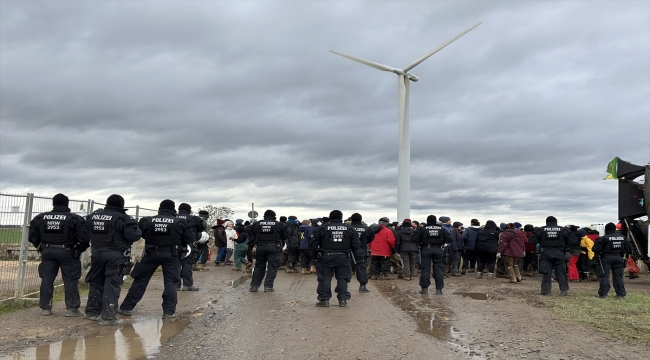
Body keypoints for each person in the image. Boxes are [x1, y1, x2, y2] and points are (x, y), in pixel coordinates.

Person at [119, 199, 193, 318]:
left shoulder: (147, 220)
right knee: (171, 283)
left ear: (160, 208)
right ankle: (168, 312)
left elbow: (141, 234)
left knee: (140, 280)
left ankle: (126, 308)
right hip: (172, 254)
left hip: (151, 253)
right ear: (173, 209)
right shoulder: (180, 222)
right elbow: (190, 238)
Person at [28, 193, 90, 317]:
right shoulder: (74, 219)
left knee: (47, 279)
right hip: (68, 252)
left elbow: (32, 236)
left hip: (47, 251)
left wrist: (40, 247)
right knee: (70, 280)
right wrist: (79, 248)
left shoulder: (40, 218)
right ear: (67, 204)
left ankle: (45, 308)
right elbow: (84, 238)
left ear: (53, 203)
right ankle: (71, 309)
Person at [85, 194, 142, 325]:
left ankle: (92, 312)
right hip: (116, 255)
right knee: (112, 283)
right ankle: (108, 316)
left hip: (96, 253)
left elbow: (85, 231)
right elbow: (134, 235)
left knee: (96, 281)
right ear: (122, 205)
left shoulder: (94, 216)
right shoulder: (123, 218)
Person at [310, 210, 360, 307]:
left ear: (330, 217)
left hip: (326, 256)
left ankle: (324, 300)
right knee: (343, 278)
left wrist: (314, 256)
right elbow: (356, 244)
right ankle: (342, 299)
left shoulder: (322, 228)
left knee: (325, 278)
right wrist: (352, 254)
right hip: (344, 256)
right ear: (341, 217)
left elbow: (313, 244)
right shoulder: (349, 228)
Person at [529, 216, 577, 296]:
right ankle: (564, 291)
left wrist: (541, 242)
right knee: (560, 272)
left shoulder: (540, 230)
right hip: (560, 253)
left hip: (546, 253)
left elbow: (532, 241)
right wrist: (566, 249)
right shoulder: (564, 230)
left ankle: (546, 291)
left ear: (546, 222)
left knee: (546, 272)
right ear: (556, 222)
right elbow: (573, 241)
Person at [248, 210, 288, 292]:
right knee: (272, 267)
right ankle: (268, 287)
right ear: (274, 216)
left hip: (260, 247)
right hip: (274, 247)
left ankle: (254, 286)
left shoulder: (257, 224)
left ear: (264, 216)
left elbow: (251, 233)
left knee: (259, 267)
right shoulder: (279, 224)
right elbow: (286, 235)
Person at [592, 222, 633, 298]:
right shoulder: (623, 237)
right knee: (619, 277)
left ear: (606, 229)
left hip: (606, 258)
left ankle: (603, 294)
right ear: (615, 229)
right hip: (618, 258)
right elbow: (629, 250)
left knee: (604, 276)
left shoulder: (603, 238)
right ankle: (621, 294)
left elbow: (595, 249)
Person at [413, 215, 451, 295]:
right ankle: (439, 289)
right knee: (439, 270)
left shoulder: (422, 229)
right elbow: (449, 239)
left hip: (426, 249)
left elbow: (414, 239)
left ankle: (424, 289)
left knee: (425, 269)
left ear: (427, 221)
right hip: (438, 250)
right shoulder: (442, 229)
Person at [175, 203, 204, 291]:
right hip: (188, 244)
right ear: (189, 210)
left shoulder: (173, 218)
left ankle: (176, 285)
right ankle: (187, 285)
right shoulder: (194, 219)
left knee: (175, 264)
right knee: (187, 264)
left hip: (174, 244)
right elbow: (201, 229)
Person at [349, 213, 374, 291]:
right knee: (361, 267)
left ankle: (342, 285)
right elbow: (371, 238)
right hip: (361, 250)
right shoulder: (366, 228)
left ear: (351, 219)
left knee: (345, 267)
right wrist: (364, 243)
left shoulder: (348, 228)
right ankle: (362, 285)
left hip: (348, 250)